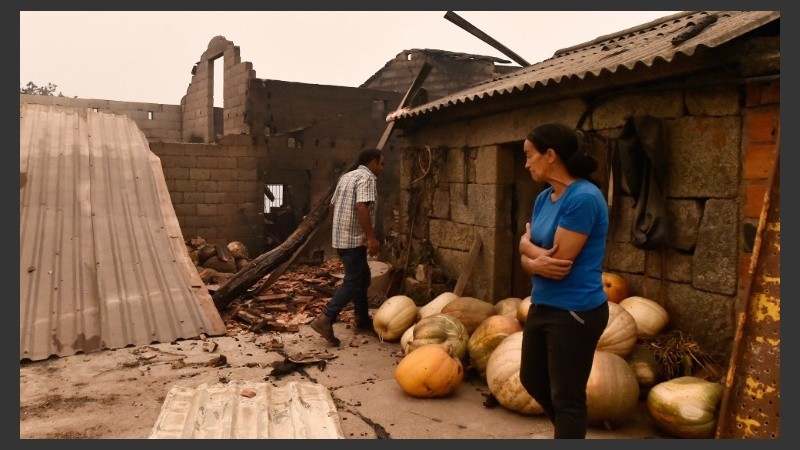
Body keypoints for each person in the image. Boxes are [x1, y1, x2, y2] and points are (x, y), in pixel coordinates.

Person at [517, 123, 610, 439]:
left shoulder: (583, 197)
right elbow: (531, 262)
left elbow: (558, 264)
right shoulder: (544, 198)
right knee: (532, 379)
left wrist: (527, 249)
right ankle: (569, 433)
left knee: (567, 399)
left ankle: (569, 433)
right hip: (543, 304)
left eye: (530, 155)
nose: (527, 163)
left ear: (551, 155)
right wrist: (530, 254)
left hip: (575, 311)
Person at [309, 148, 385, 346]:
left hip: (342, 239)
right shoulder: (367, 178)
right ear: (373, 162)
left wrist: (340, 228)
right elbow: (362, 207)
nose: (382, 168)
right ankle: (326, 318)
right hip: (353, 239)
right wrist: (371, 238)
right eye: (381, 164)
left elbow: (332, 205)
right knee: (354, 280)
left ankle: (361, 319)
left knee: (363, 277)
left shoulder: (346, 177)